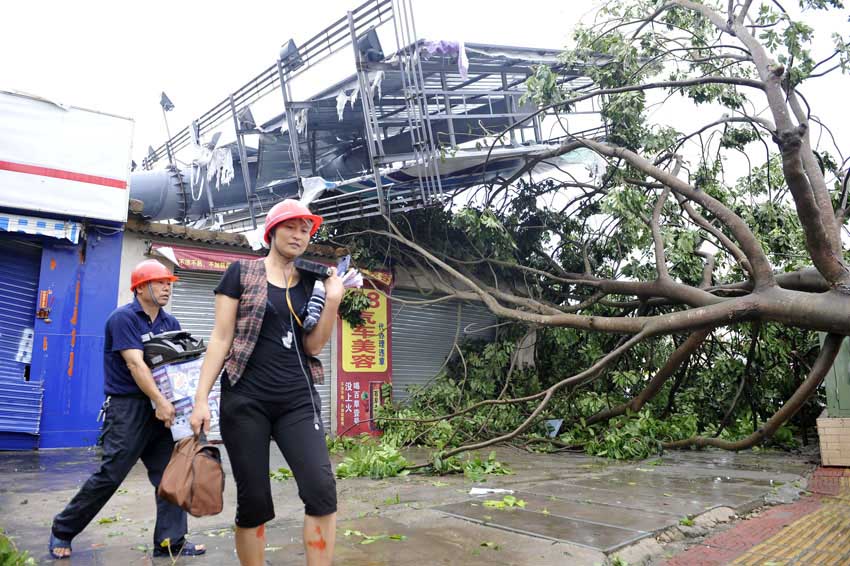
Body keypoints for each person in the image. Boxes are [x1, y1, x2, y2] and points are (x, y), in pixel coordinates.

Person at [190, 199, 341, 566]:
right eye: (291, 226)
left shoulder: (312, 283)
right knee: (255, 499)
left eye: (306, 230)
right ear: (272, 231)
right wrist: (200, 399)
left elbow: (313, 344)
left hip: (297, 399)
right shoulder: (240, 273)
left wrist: (333, 300)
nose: (299, 235)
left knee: (321, 491)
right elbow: (221, 338)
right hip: (246, 399)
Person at [48, 259, 206, 560]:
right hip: (129, 409)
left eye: (169, 283)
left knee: (170, 476)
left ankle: (170, 542)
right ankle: (63, 529)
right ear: (141, 287)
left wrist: (186, 406)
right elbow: (135, 363)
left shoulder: (170, 324)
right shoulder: (123, 319)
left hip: (163, 410)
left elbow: (179, 368)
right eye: (160, 282)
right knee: (111, 474)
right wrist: (160, 401)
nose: (167, 287)